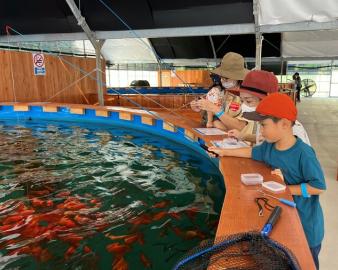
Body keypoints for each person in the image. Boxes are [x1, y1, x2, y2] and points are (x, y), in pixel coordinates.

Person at [208, 93, 326, 269]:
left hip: (305, 226)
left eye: (263, 125)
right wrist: (224, 152)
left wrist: (284, 189)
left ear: (285, 124)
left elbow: (318, 187)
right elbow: (250, 152)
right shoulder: (269, 146)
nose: (260, 131)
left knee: (303, 262)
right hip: (282, 215)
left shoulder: (304, 153)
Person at [190, 52, 248, 126]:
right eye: (221, 77)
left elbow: (242, 128)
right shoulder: (220, 91)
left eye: (226, 78)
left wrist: (215, 110)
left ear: (238, 77)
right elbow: (208, 115)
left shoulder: (247, 97)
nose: (222, 80)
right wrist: (200, 108)